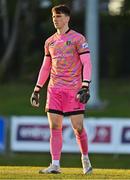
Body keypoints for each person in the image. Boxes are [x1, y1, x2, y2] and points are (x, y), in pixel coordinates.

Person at [30, 4, 92, 174]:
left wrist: (85, 85)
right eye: (53, 17)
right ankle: (55, 164)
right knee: (54, 126)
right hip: (54, 89)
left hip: (74, 89)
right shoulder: (49, 42)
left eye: (59, 16)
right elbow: (45, 67)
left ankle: (85, 159)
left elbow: (87, 62)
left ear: (67, 18)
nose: (55, 20)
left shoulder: (78, 39)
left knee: (78, 127)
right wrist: (37, 89)